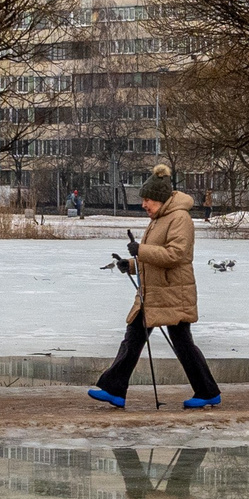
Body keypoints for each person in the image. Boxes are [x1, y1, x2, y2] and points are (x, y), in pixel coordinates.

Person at [89, 164, 222, 410]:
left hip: (173, 292)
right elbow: (154, 257)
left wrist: (141, 250)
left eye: (147, 200)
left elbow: (176, 255)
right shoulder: (159, 218)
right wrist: (130, 264)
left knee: (182, 343)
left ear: (161, 200)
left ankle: (207, 391)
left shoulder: (180, 218)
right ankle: (114, 389)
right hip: (154, 293)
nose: (144, 205)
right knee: (134, 337)